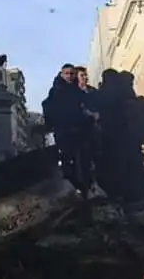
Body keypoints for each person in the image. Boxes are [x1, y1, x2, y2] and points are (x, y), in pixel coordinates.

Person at [42, 63, 93, 198]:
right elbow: (48, 107)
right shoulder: (56, 91)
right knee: (68, 162)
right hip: (64, 132)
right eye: (67, 74)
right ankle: (72, 190)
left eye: (72, 73)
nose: (69, 76)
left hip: (79, 132)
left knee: (83, 163)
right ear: (61, 74)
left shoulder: (78, 91)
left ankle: (83, 190)